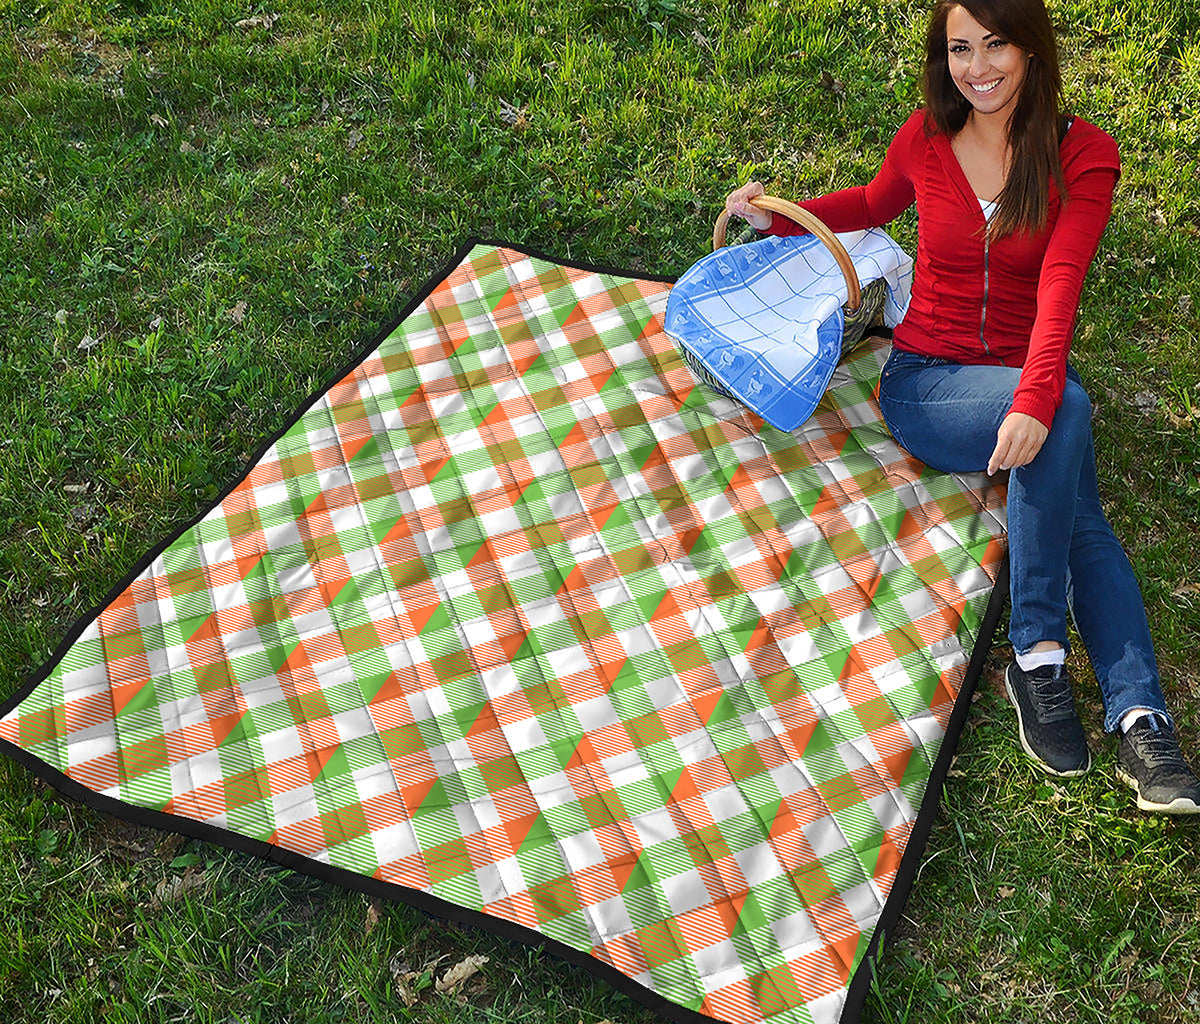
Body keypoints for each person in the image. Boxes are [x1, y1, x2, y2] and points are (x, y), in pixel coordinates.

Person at [724, 0, 1200, 814]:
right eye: (959, 49)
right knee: (1070, 421)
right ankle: (1047, 656)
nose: (977, 67)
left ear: (1031, 48)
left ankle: (1133, 713)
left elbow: (1061, 284)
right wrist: (779, 221)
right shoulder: (926, 137)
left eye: (996, 44)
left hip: (1019, 377)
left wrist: (1037, 396)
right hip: (927, 383)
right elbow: (872, 205)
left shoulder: (1083, 156)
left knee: (1074, 476)